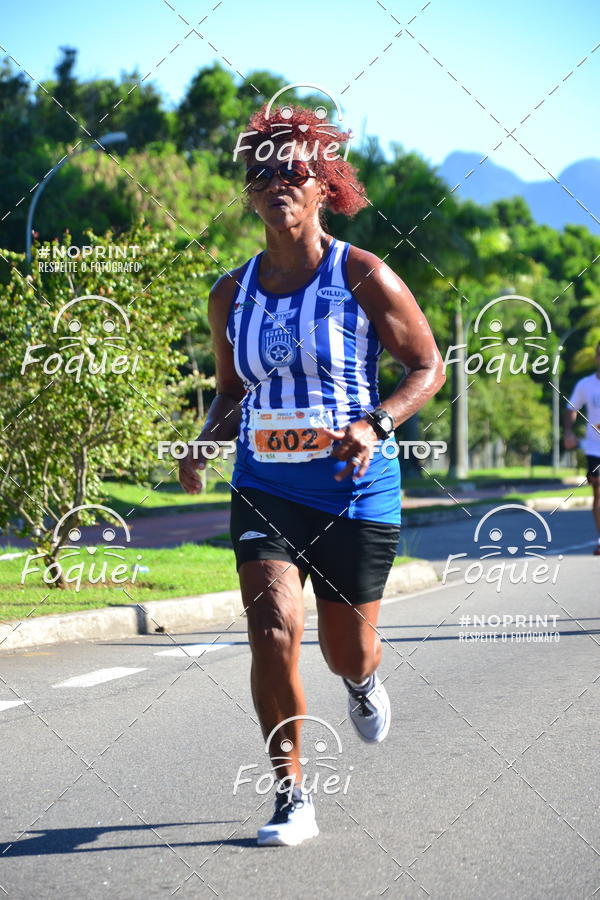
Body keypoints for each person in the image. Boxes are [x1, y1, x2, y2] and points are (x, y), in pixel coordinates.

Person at [179, 105, 445, 846]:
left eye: (290, 169)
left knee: (345, 649)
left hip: (354, 488)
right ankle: (292, 795)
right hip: (265, 482)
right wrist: (205, 441)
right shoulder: (231, 294)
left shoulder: (362, 276)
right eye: (258, 172)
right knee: (270, 628)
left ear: (322, 183)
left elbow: (428, 366)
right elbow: (234, 393)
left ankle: (362, 683)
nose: (274, 183)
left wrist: (376, 424)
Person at [564, 341, 600, 555]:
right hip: (595, 448)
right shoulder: (585, 385)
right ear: (596, 358)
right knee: (598, 487)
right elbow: (571, 409)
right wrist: (568, 432)